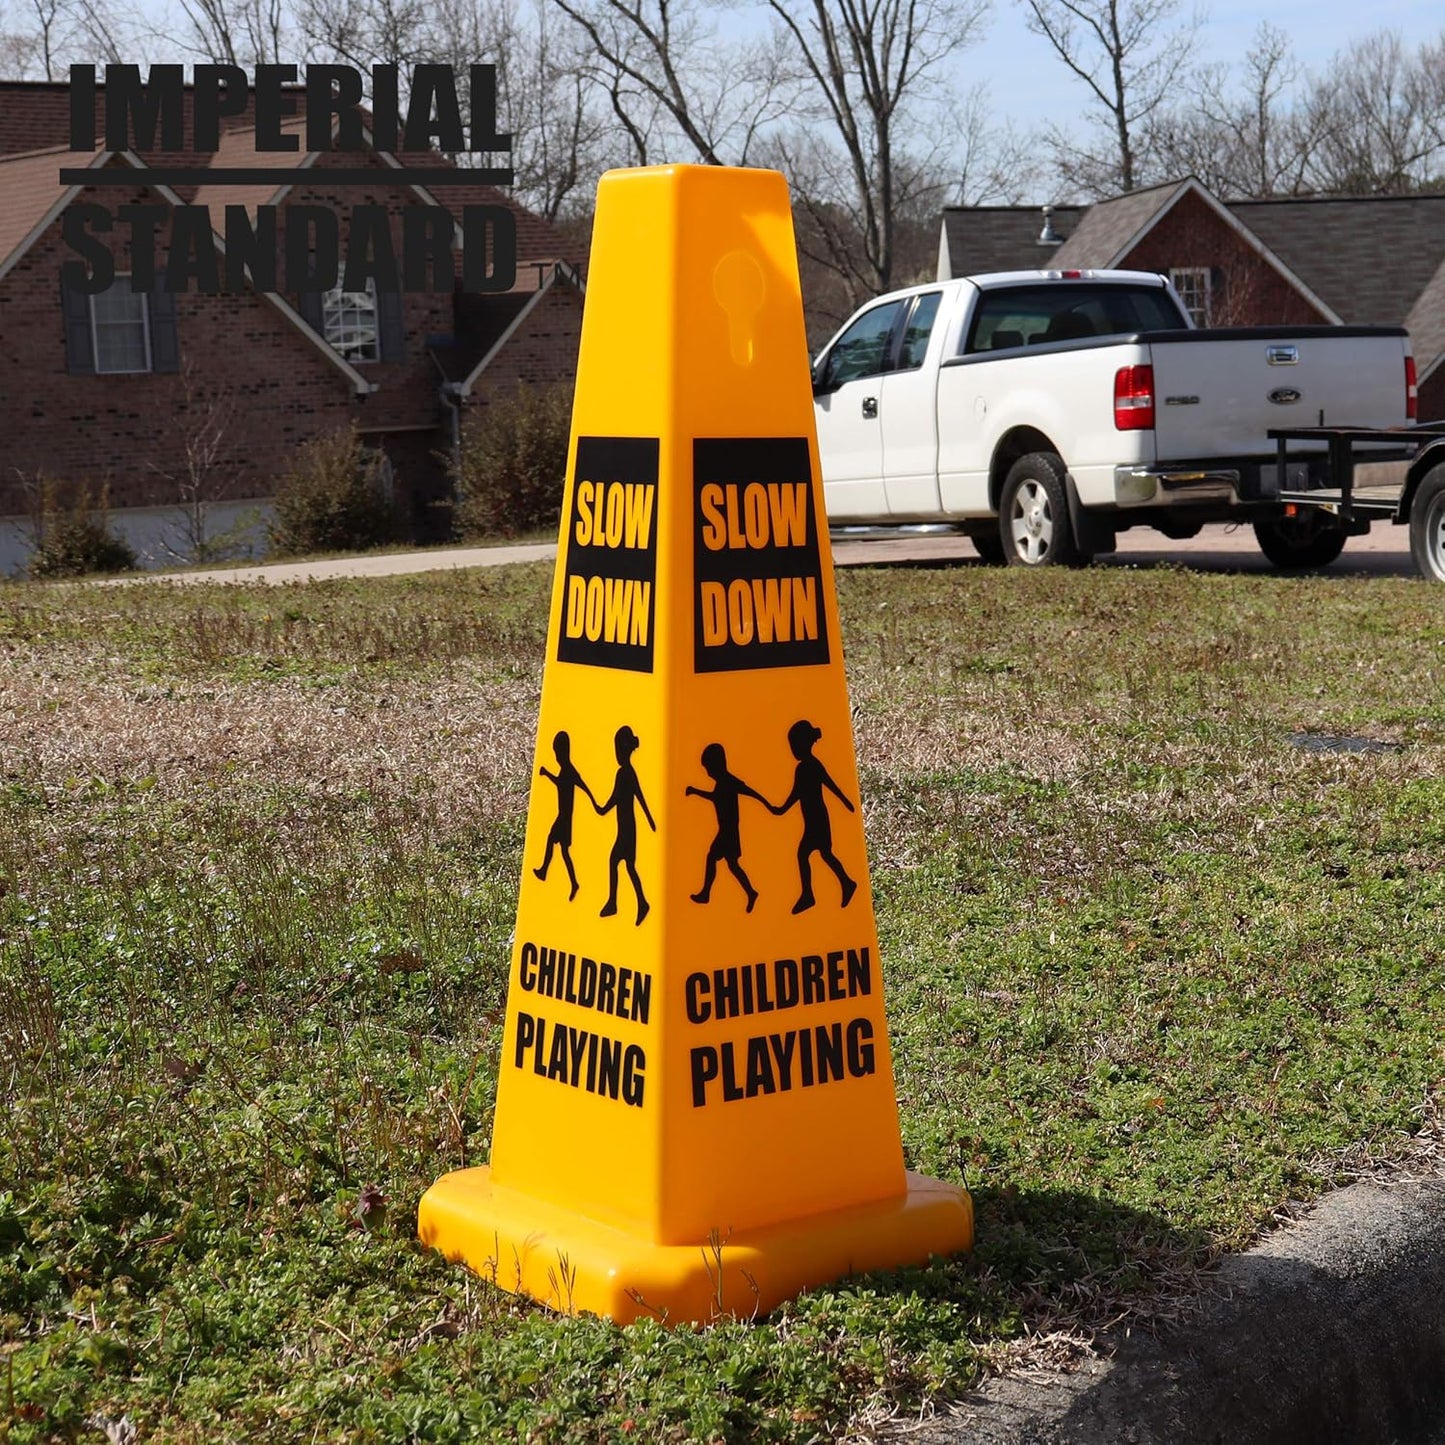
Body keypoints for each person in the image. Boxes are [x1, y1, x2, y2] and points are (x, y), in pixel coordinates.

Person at [772, 719, 858, 915]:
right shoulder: (804, 767)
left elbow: (828, 784)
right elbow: (798, 793)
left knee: (810, 854)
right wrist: (782, 809)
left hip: (818, 819)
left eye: (794, 745)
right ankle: (843, 883)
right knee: (821, 854)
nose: (792, 750)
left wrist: (846, 801)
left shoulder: (809, 766)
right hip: (813, 819)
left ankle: (813, 893)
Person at [685, 742, 771, 912]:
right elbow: (714, 798)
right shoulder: (721, 783)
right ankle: (750, 892)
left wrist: (767, 804)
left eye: (708, 768)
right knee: (733, 865)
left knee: (713, 857)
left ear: (717, 765)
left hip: (728, 832)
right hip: (726, 831)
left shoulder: (729, 781)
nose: (708, 773)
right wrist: (696, 791)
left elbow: (749, 791)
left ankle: (706, 893)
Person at [597, 725, 656, 925]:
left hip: (627, 829)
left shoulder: (625, 773)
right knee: (626, 865)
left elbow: (634, 797)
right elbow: (627, 798)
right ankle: (639, 902)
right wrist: (650, 820)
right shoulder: (626, 772)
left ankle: (619, 902)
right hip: (627, 827)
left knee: (618, 862)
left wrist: (651, 820)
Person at [532, 730, 597, 901]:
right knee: (564, 851)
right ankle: (572, 882)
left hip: (565, 817)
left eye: (557, 752)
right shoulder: (565, 770)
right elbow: (566, 784)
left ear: (563, 752)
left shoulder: (569, 770)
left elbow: (580, 785)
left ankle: (545, 870)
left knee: (552, 841)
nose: (556, 756)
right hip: (564, 816)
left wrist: (594, 802)